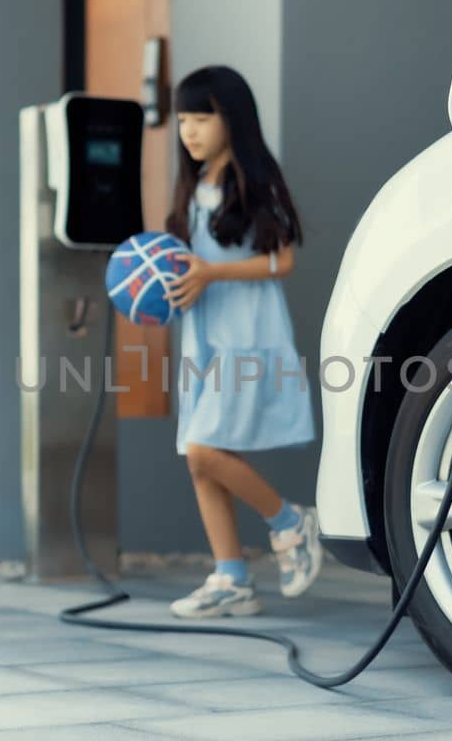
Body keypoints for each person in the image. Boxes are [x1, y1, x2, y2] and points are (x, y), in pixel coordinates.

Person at [162, 65, 321, 618]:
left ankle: (290, 521)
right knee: (200, 459)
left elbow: (282, 261)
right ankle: (231, 577)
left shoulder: (255, 181)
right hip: (202, 335)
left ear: (233, 118)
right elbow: (189, 261)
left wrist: (211, 274)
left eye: (201, 116)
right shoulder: (194, 184)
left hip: (245, 334)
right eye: (183, 118)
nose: (190, 130)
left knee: (206, 447)